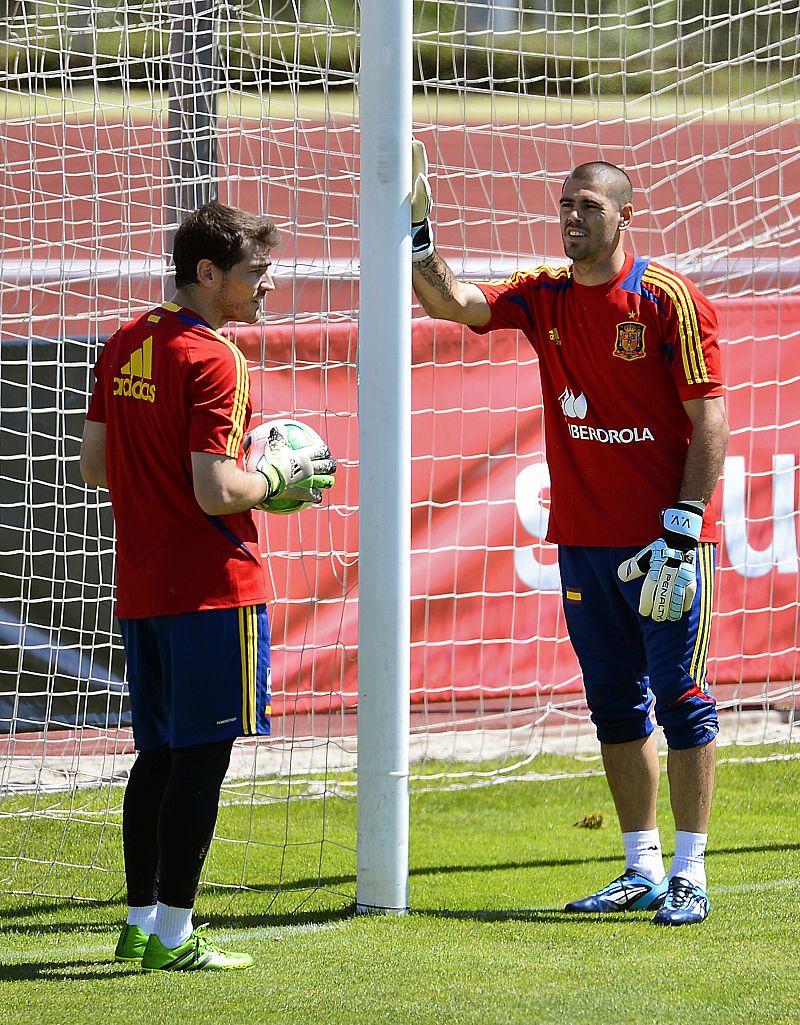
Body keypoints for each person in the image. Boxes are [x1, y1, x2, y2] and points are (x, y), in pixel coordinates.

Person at [410, 142, 729, 926]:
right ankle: (641, 865)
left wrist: (683, 529)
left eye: (589, 205)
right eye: (565, 205)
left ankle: (690, 871)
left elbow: (710, 420)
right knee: (613, 704)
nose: (572, 217)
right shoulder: (543, 295)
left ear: (626, 214)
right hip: (584, 542)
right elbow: (452, 302)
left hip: (666, 544)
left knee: (683, 699)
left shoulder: (668, 300)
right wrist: (416, 237)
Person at [80, 201, 336, 970]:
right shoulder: (217, 357)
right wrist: (278, 477)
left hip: (144, 586)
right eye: (255, 273)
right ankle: (174, 934)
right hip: (214, 588)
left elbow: (93, 467)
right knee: (201, 758)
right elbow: (217, 489)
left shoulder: (126, 340)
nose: (267, 287)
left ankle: (138, 923)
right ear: (208, 272)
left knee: (157, 755)